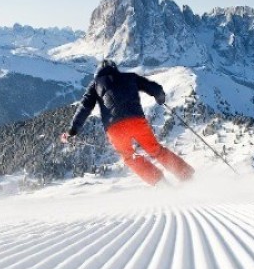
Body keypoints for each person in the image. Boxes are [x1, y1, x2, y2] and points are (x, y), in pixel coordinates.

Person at [61, 59, 195, 185]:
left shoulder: (95, 84)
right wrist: (160, 98)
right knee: (156, 150)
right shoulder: (130, 77)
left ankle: (159, 182)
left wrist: (73, 130)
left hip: (115, 129)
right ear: (115, 69)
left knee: (130, 157)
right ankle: (186, 175)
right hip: (136, 121)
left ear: (98, 73)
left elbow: (85, 107)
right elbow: (154, 88)